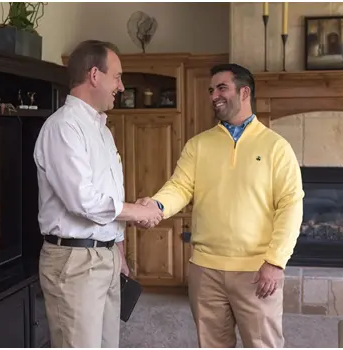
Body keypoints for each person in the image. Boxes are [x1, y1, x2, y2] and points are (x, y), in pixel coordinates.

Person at [136, 63, 304, 348]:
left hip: (257, 272)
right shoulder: (198, 145)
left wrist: (275, 261)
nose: (214, 95)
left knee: (264, 345)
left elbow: (290, 205)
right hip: (205, 271)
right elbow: (179, 187)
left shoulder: (276, 147)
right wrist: (155, 205)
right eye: (211, 90)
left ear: (244, 92)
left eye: (222, 88)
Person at [33, 40, 163, 348]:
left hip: (103, 257)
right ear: (94, 75)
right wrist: (139, 211)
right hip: (74, 262)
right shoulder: (63, 128)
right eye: (117, 76)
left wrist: (117, 250)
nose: (121, 86)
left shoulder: (103, 131)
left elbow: (109, 192)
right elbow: (82, 200)